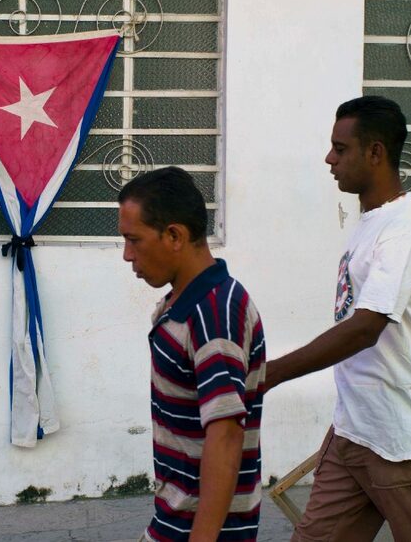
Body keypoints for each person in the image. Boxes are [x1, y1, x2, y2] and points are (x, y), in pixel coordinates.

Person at [265, 96, 411, 541]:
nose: (329, 158)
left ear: (375, 153)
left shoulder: (404, 228)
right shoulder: (373, 221)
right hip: (354, 432)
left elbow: (366, 326)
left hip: (397, 441)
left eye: (341, 148)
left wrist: (273, 372)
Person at [118, 166, 266, 542]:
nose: (127, 255)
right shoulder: (185, 300)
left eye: (134, 240)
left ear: (174, 235)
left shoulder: (214, 314)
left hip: (199, 528)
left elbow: (226, 435)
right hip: (173, 518)